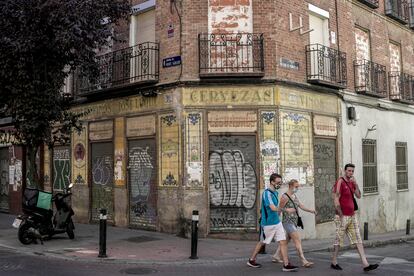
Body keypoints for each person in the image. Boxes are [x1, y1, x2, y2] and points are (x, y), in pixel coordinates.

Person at [331, 163, 379, 272]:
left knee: (358, 239)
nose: (350, 173)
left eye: (352, 171)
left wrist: (356, 184)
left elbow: (358, 195)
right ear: (345, 170)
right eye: (349, 171)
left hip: (352, 216)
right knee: (338, 240)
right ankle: (334, 261)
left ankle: (365, 264)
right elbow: (336, 199)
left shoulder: (352, 182)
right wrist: (341, 215)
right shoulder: (340, 182)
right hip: (342, 216)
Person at [247, 173, 298, 272]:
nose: (279, 184)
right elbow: (272, 207)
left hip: (276, 222)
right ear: (272, 182)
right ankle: (251, 260)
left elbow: (277, 207)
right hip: (267, 224)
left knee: (283, 242)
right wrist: (286, 210)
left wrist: (279, 212)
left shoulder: (275, 193)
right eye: (278, 182)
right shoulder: (267, 193)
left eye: (280, 182)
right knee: (262, 242)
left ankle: (286, 264)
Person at [272, 179, 317, 268]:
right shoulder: (284, 197)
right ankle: (303, 260)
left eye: (298, 186)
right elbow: (279, 209)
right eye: (296, 187)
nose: (297, 188)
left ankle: (276, 255)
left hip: (294, 222)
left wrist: (311, 211)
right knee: (297, 240)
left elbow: (300, 205)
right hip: (287, 222)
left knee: (285, 241)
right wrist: (276, 221)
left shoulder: (294, 196)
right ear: (291, 186)